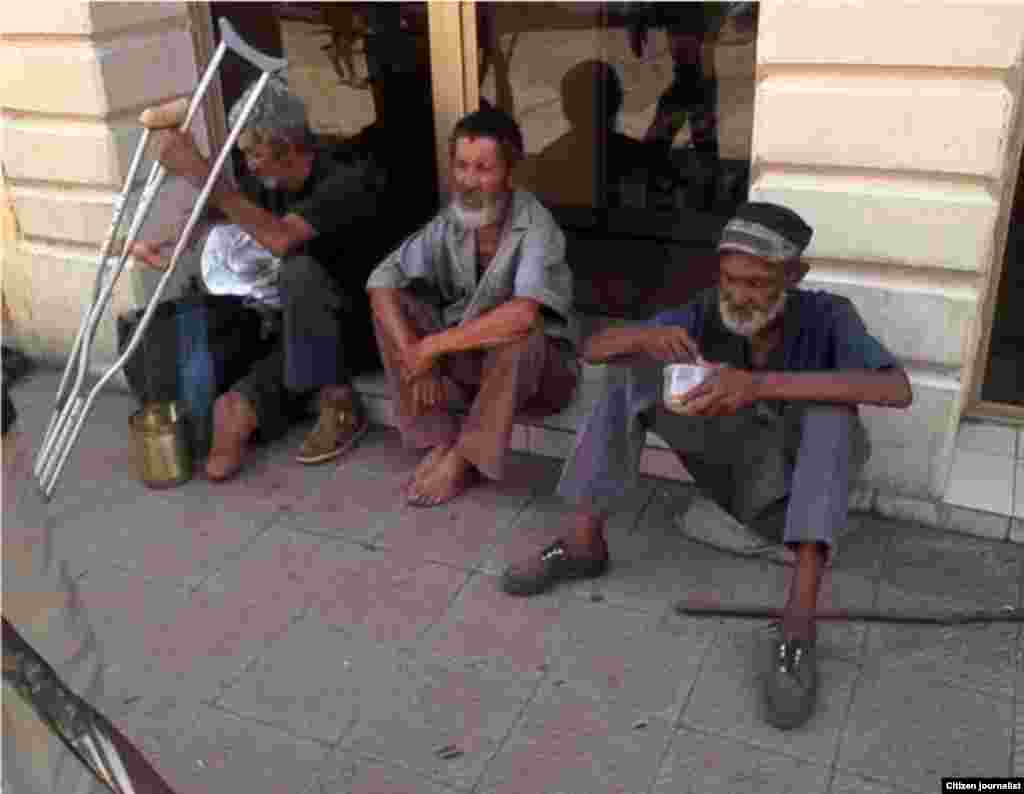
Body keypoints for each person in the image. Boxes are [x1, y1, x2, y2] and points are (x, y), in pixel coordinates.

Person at [501, 202, 913, 730]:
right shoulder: (705, 311)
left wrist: (758, 385)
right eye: (728, 278)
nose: (738, 295)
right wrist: (642, 338)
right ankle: (584, 543)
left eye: (757, 282)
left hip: (797, 500)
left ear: (796, 275)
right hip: (739, 481)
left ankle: (798, 626)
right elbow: (594, 349)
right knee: (632, 374)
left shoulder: (829, 316)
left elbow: (894, 388)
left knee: (829, 417)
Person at [132, 77, 394, 481]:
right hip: (300, 326)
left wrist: (201, 172)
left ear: (286, 146)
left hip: (363, 327)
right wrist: (169, 242)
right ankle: (240, 408)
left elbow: (280, 238)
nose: (249, 164)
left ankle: (339, 401)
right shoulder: (271, 180)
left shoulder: (347, 178)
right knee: (231, 411)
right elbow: (221, 213)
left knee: (298, 270)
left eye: (255, 153)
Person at [367, 107, 579, 508]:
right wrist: (418, 353)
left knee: (519, 331)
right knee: (394, 303)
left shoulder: (537, 226)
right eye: (461, 167)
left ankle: (466, 456)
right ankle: (440, 436)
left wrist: (431, 348)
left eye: (483, 169)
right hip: (473, 366)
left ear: (510, 172)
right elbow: (381, 280)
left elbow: (522, 315)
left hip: (540, 377)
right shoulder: (450, 223)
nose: (468, 181)